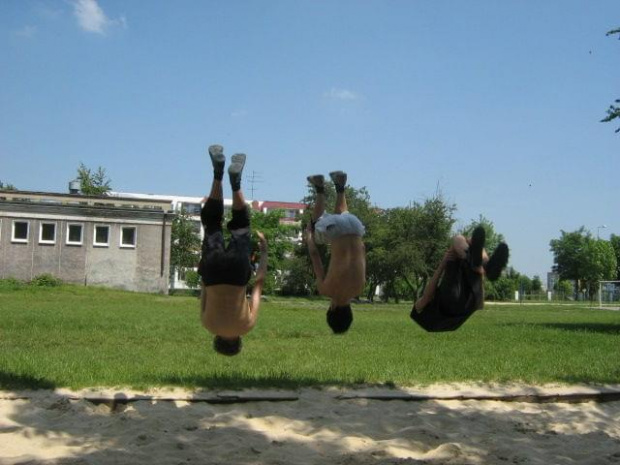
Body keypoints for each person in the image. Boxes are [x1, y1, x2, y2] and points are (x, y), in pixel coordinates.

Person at [198, 145, 268, 355]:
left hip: (238, 275)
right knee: (212, 223)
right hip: (212, 273)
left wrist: (264, 253)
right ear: (216, 340)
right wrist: (205, 264)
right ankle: (218, 174)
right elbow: (203, 289)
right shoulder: (208, 325)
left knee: (241, 226)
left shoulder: (247, 326)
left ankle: (236, 183)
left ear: (238, 341)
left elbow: (258, 284)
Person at [410, 226, 509, 332]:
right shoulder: (417, 311)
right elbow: (427, 296)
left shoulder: (429, 321)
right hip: (453, 300)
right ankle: (484, 264)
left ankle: (481, 263)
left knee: (468, 247)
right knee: (458, 239)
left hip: (471, 301)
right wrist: (443, 262)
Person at [306, 171, 366, 334]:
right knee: (316, 223)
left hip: (356, 227)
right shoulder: (326, 290)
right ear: (331, 309)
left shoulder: (360, 288)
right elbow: (315, 256)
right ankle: (319, 187)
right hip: (336, 231)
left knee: (342, 217)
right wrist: (309, 236)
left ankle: (340, 186)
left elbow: (362, 251)